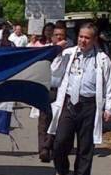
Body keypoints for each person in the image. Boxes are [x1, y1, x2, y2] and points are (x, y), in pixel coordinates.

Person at [48, 22, 111, 175]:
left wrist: (109, 108)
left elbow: (109, 85)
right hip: (69, 103)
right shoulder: (68, 54)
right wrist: (58, 52)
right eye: (80, 36)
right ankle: (63, 171)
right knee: (59, 142)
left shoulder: (102, 60)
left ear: (94, 40)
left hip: (89, 106)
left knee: (85, 147)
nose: (82, 40)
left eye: (87, 38)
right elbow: (54, 74)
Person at [36, 23, 70, 163]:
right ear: (52, 37)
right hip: (46, 89)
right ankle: (43, 149)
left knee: (57, 120)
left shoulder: (70, 54)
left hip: (62, 91)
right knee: (44, 119)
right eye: (57, 35)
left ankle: (51, 145)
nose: (59, 37)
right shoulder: (45, 51)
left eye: (62, 35)